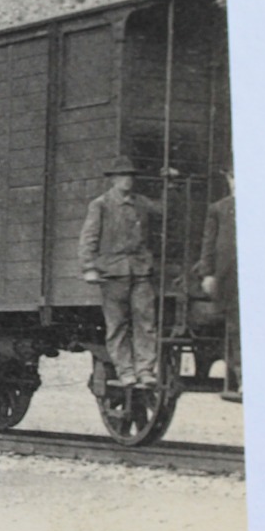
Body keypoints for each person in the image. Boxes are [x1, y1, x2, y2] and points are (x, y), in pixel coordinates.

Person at [79, 157, 163, 389]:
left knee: (145, 322)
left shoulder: (141, 203)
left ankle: (145, 370)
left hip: (140, 270)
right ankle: (126, 371)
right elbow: (89, 237)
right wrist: (89, 267)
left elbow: (164, 210)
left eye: (130, 176)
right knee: (117, 325)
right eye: (123, 176)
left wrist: (171, 185)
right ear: (113, 179)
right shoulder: (101, 204)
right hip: (113, 273)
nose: (127, 180)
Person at [197, 170, 240, 401]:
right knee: (237, 327)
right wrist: (207, 274)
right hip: (229, 278)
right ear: (229, 181)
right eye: (235, 177)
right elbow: (208, 243)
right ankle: (244, 380)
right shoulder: (219, 209)